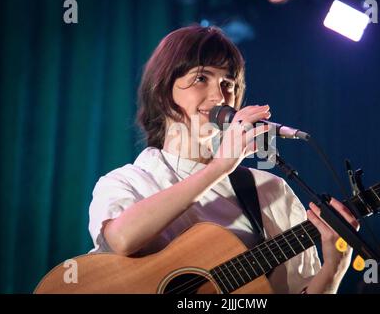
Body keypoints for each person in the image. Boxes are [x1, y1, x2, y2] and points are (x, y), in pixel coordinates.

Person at [88, 25, 359, 294]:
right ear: (163, 90)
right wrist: (219, 166)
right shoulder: (127, 181)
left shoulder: (270, 190)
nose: (219, 96)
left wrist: (334, 266)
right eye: (201, 78)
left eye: (228, 84)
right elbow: (121, 239)